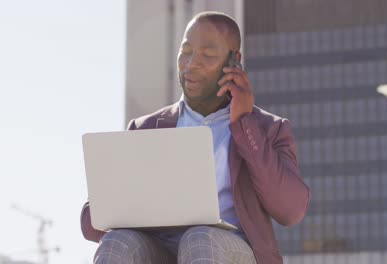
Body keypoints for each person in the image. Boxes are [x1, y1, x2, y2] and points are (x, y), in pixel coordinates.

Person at [80, 11, 310, 264]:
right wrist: (111, 199)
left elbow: (291, 211)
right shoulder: (145, 128)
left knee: (199, 238)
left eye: (208, 55)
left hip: (231, 252)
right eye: (186, 51)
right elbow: (92, 226)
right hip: (160, 250)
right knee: (117, 243)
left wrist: (245, 124)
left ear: (234, 60)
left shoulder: (269, 129)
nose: (191, 64)